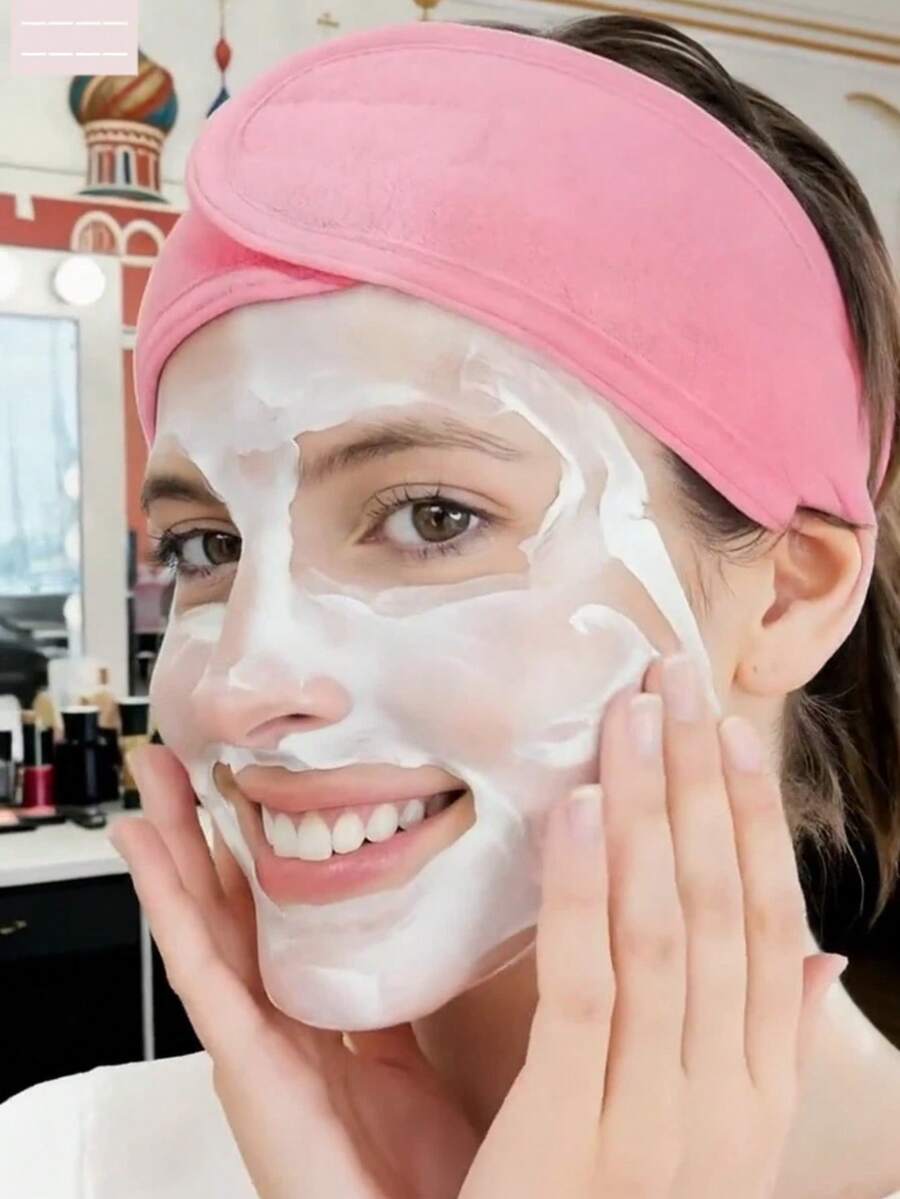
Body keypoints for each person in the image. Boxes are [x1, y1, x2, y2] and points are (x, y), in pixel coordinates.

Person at [3, 15, 900, 1199]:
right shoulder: (54, 1159)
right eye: (206, 545)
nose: (237, 685)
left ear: (789, 595)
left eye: (431, 516)